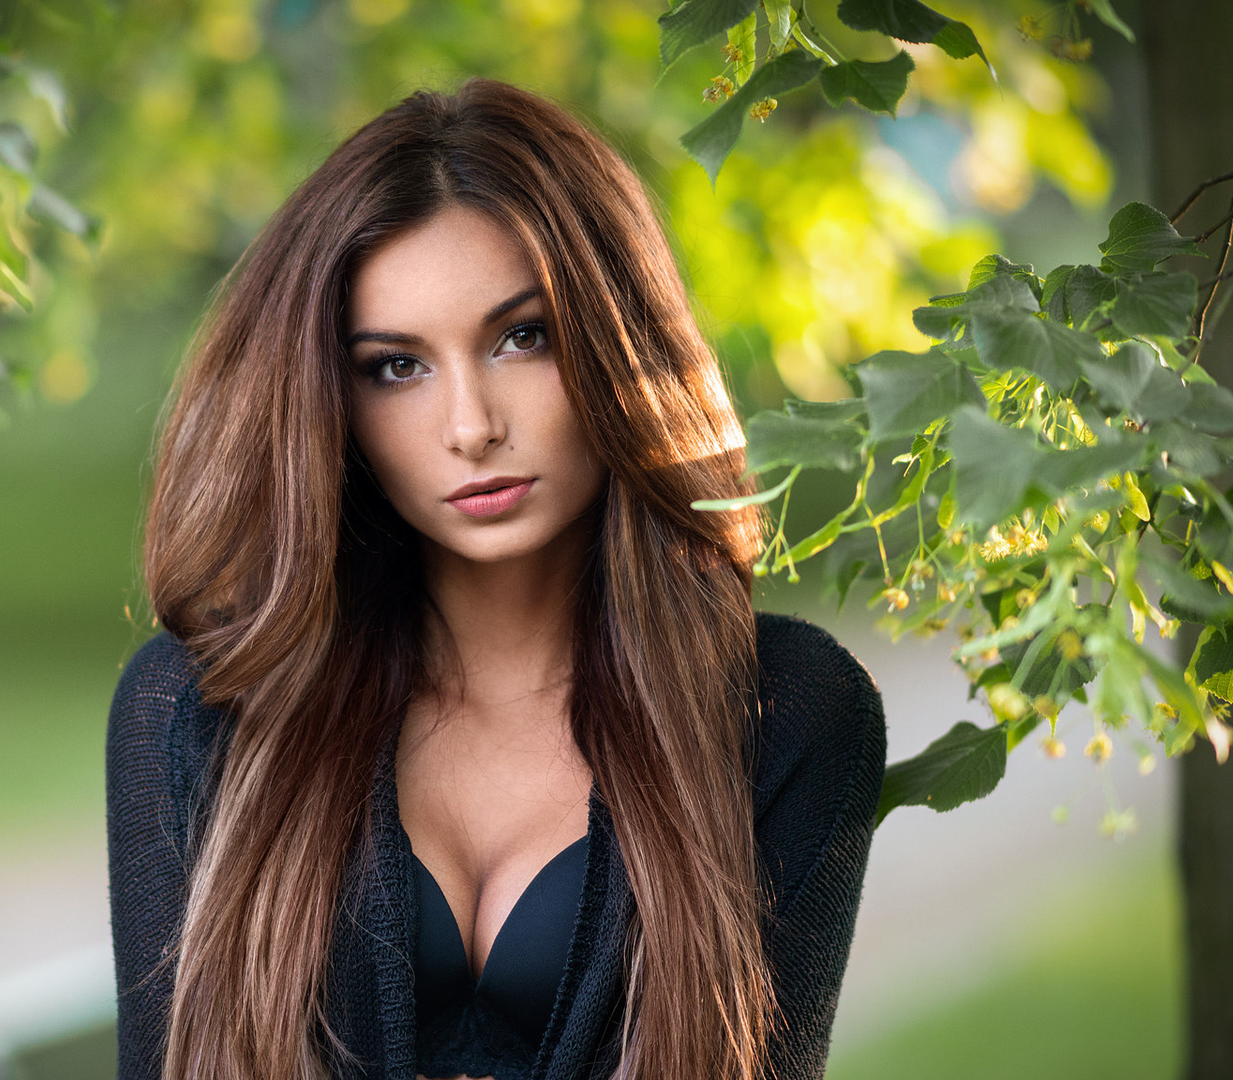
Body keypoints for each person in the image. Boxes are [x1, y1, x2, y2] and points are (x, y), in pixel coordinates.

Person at [105, 78, 885, 1080]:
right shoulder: (201, 708)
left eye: (524, 337)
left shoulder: (784, 714)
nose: (471, 426)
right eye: (397, 366)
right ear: (328, 399)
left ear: (616, 339)